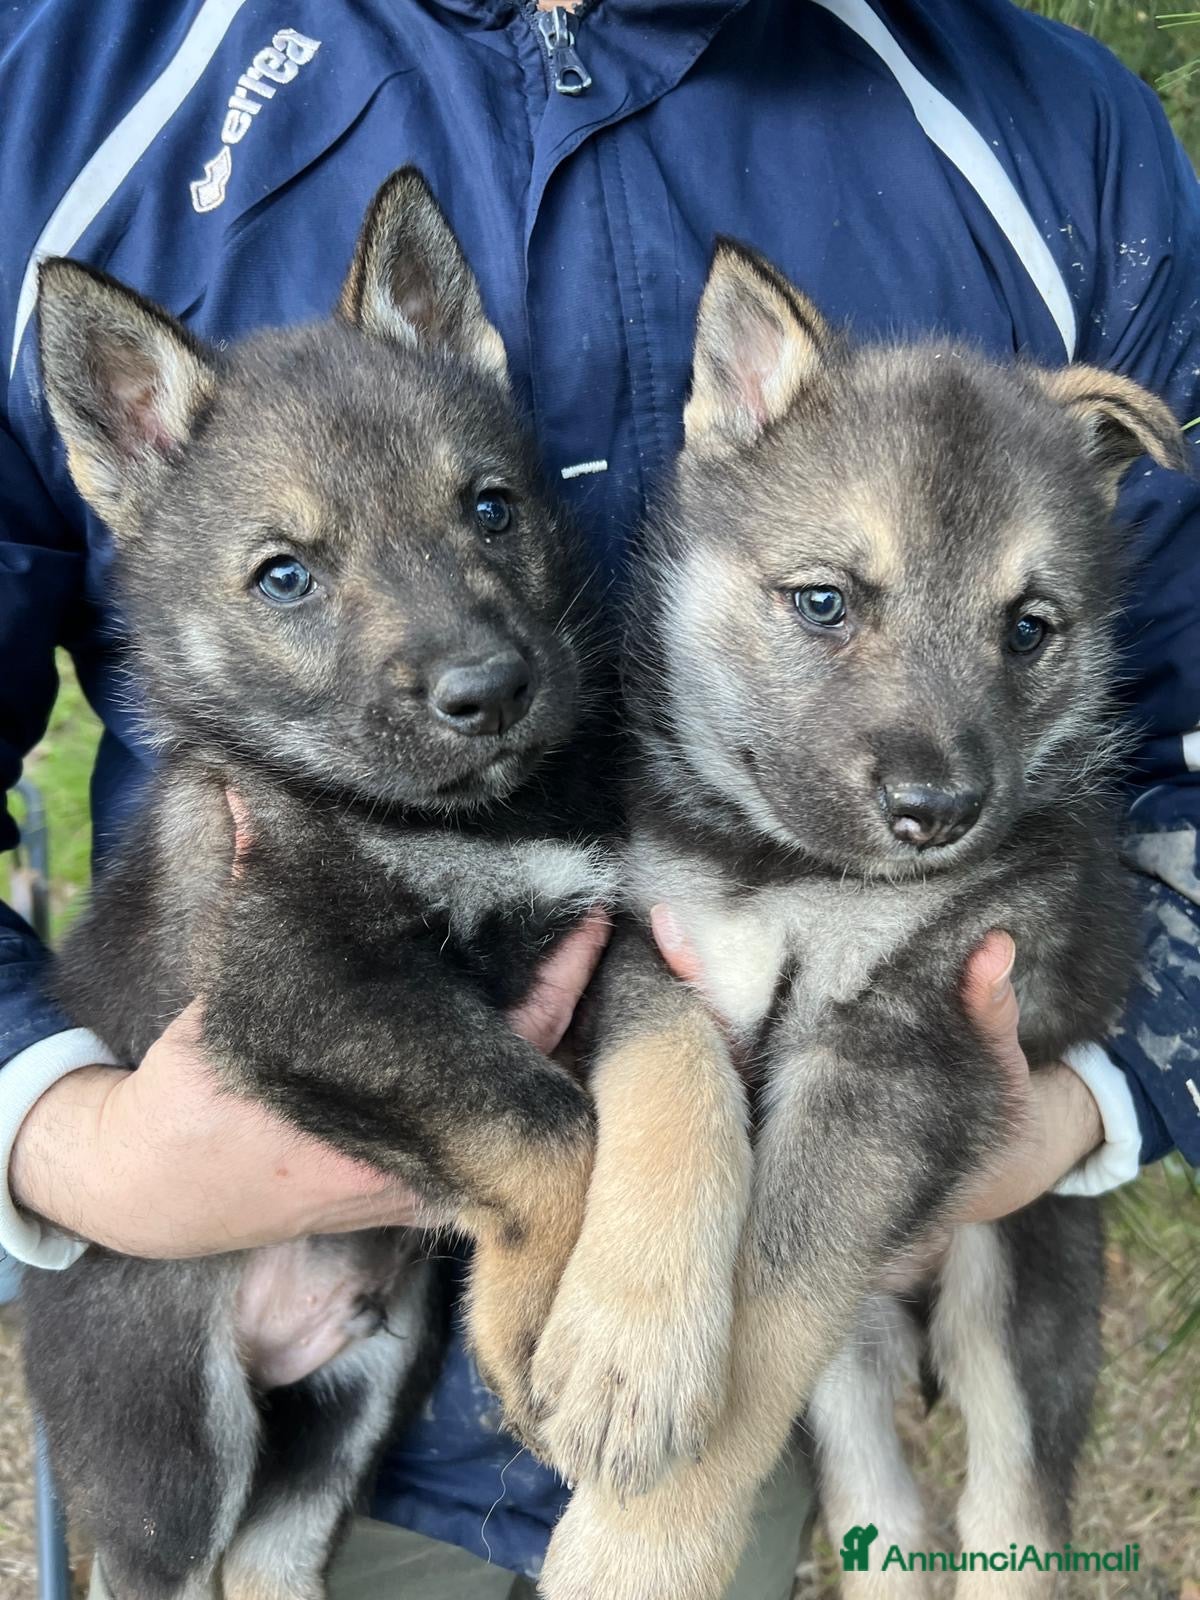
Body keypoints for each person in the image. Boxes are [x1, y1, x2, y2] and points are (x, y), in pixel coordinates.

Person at [0, 1, 1197, 1595]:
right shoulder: (68, 92)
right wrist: (70, 1143)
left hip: (717, 1358)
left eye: (490, 513)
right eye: (292, 574)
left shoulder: (1057, 137)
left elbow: (1170, 763)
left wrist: (1073, 1110)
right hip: (287, 1342)